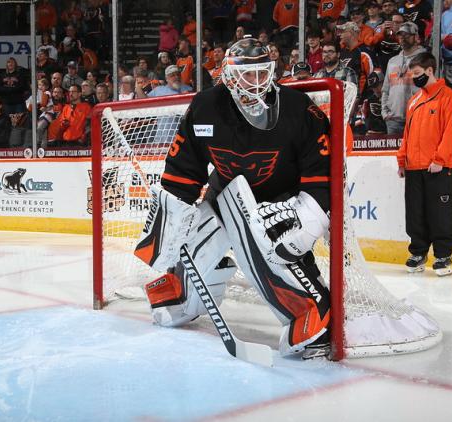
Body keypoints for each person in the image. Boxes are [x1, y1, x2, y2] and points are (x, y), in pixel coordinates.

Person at [135, 38, 332, 359]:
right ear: (228, 75)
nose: (256, 82)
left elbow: (321, 174)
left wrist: (307, 220)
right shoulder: (204, 107)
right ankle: (188, 293)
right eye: (247, 74)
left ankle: (310, 310)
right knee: (193, 246)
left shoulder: (299, 109)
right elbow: (183, 170)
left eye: (261, 73)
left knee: (270, 245)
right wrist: (171, 221)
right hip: (224, 192)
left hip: (282, 200)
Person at [396, 52, 452, 277]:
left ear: (430, 71)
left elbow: (450, 132)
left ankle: (443, 256)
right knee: (415, 213)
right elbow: (407, 133)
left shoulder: (448, 96)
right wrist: (402, 159)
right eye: (412, 74)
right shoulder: (414, 101)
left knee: (439, 213)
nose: (414, 78)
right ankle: (418, 252)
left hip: (437, 168)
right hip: (414, 167)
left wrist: (440, 160)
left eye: (418, 74)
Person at [381, 22, 426, 134]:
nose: (402, 38)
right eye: (400, 35)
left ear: (416, 37)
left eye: (407, 35)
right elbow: (386, 90)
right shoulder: (392, 61)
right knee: (393, 152)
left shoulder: (425, 59)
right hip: (393, 120)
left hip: (416, 118)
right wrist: (385, 113)